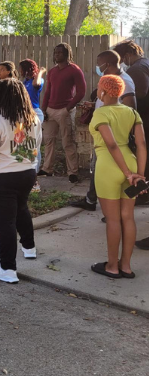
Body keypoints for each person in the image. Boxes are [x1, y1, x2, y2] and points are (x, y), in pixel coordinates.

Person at [0, 78, 42, 284]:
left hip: (1, 178)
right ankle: (29, 248)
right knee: (21, 209)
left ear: (0, 96)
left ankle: (7, 268)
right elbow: (35, 147)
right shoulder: (33, 119)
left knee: (5, 223)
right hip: (26, 173)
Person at [88, 75, 146, 279]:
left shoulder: (100, 113)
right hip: (130, 162)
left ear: (103, 91)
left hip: (109, 166)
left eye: (98, 88)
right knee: (128, 217)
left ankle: (112, 266)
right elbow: (141, 145)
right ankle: (126, 266)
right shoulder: (132, 112)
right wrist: (138, 173)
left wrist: (127, 173)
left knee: (113, 219)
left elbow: (111, 144)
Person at [72, 51, 136, 211]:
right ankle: (91, 200)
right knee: (98, 169)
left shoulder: (125, 82)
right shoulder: (110, 80)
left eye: (98, 63)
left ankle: (115, 210)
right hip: (105, 135)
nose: (97, 67)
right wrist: (95, 106)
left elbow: (130, 108)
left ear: (107, 64)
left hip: (113, 136)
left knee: (111, 173)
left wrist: (110, 127)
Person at [114, 40, 149, 250]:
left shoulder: (137, 68)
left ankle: (131, 201)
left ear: (126, 55)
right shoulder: (145, 64)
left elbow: (141, 94)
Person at [38, 42, 86, 183]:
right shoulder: (52, 71)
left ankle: (73, 172)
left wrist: (68, 108)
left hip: (65, 110)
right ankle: (47, 169)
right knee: (49, 141)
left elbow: (81, 92)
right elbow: (48, 91)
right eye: (55, 53)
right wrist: (44, 108)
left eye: (60, 53)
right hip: (50, 110)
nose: (57, 55)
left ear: (67, 54)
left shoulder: (74, 70)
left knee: (67, 142)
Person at [19, 59, 46, 193]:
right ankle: (26, 176)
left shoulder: (37, 80)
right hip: (23, 115)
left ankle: (35, 181)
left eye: (21, 69)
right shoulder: (24, 82)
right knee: (23, 146)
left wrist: (40, 71)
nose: (20, 72)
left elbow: (37, 83)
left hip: (34, 113)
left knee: (34, 145)